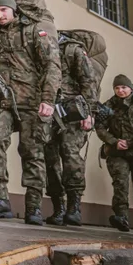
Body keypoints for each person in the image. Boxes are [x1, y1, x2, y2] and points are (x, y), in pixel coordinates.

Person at [0, 0, 60, 225]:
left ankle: (33, 207)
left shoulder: (33, 29)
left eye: (3, 10)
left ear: (12, 8)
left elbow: (52, 66)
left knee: (32, 152)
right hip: (0, 99)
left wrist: (48, 99)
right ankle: (0, 201)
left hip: (32, 101)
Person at [44, 33, 98, 225]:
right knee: (49, 159)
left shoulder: (72, 49)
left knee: (71, 156)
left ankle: (73, 207)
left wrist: (89, 113)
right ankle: (58, 207)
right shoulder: (38, 44)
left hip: (73, 112)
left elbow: (89, 81)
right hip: (48, 110)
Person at [96, 75, 133, 234]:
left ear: (130, 88)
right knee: (120, 182)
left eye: (124, 87)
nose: (120, 91)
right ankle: (122, 217)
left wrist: (132, 142)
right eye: (117, 88)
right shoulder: (110, 106)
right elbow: (99, 127)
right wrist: (113, 141)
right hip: (118, 152)